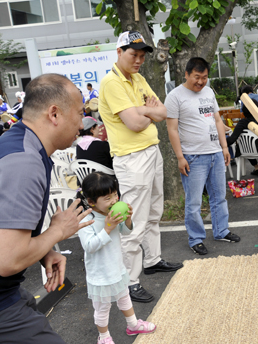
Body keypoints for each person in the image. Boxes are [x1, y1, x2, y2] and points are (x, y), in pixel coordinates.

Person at [0, 73, 94, 343]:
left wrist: (44, 250)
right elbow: (7, 261)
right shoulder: (23, 162)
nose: (82, 122)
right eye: (79, 112)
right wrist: (57, 232)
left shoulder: (18, 144)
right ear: (55, 114)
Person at [99, 30, 183, 303]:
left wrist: (144, 111)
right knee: (134, 220)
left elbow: (163, 112)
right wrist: (147, 111)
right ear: (119, 52)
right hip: (131, 157)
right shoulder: (112, 83)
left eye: (142, 55)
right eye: (133, 54)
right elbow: (136, 123)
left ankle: (152, 259)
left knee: (154, 210)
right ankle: (129, 281)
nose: (138, 60)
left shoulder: (138, 78)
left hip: (151, 151)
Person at [165, 57, 241, 256]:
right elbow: (172, 130)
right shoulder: (175, 96)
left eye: (204, 77)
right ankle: (196, 238)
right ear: (186, 74)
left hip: (215, 153)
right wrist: (180, 157)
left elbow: (217, 119)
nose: (200, 82)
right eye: (196, 77)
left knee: (219, 197)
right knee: (194, 202)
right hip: (193, 156)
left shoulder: (208, 91)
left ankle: (221, 231)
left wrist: (224, 147)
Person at [77, 172, 156, 344]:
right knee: (102, 308)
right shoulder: (86, 221)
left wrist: (127, 220)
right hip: (100, 275)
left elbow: (126, 232)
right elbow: (90, 247)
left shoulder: (113, 214)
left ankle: (133, 324)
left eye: (115, 195)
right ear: (91, 202)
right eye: (107, 198)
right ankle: (104, 337)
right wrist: (107, 228)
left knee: (124, 297)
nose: (114, 200)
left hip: (117, 269)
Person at [227, 97, 258, 176]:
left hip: (245, 151)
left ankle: (256, 167)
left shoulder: (242, 123)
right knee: (255, 143)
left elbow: (232, 139)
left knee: (246, 144)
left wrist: (221, 142)